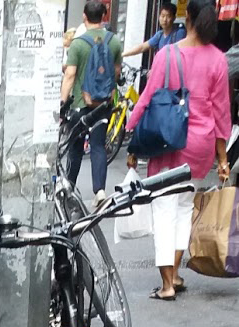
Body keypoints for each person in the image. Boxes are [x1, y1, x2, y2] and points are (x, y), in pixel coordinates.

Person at [126, 0, 231, 300]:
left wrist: (132, 135)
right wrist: (222, 159)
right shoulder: (218, 60)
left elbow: (146, 98)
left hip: (166, 140)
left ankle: (167, 284)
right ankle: (175, 273)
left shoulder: (167, 55)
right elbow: (222, 114)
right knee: (185, 207)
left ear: (189, 18)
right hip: (199, 145)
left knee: (163, 208)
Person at [61, 2, 123, 205]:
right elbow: (116, 72)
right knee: (97, 145)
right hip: (103, 105)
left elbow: (70, 75)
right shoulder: (113, 42)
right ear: (105, 17)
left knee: (75, 147)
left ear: (84, 17)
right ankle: (100, 192)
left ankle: (68, 187)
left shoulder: (78, 44)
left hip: (80, 104)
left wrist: (63, 103)